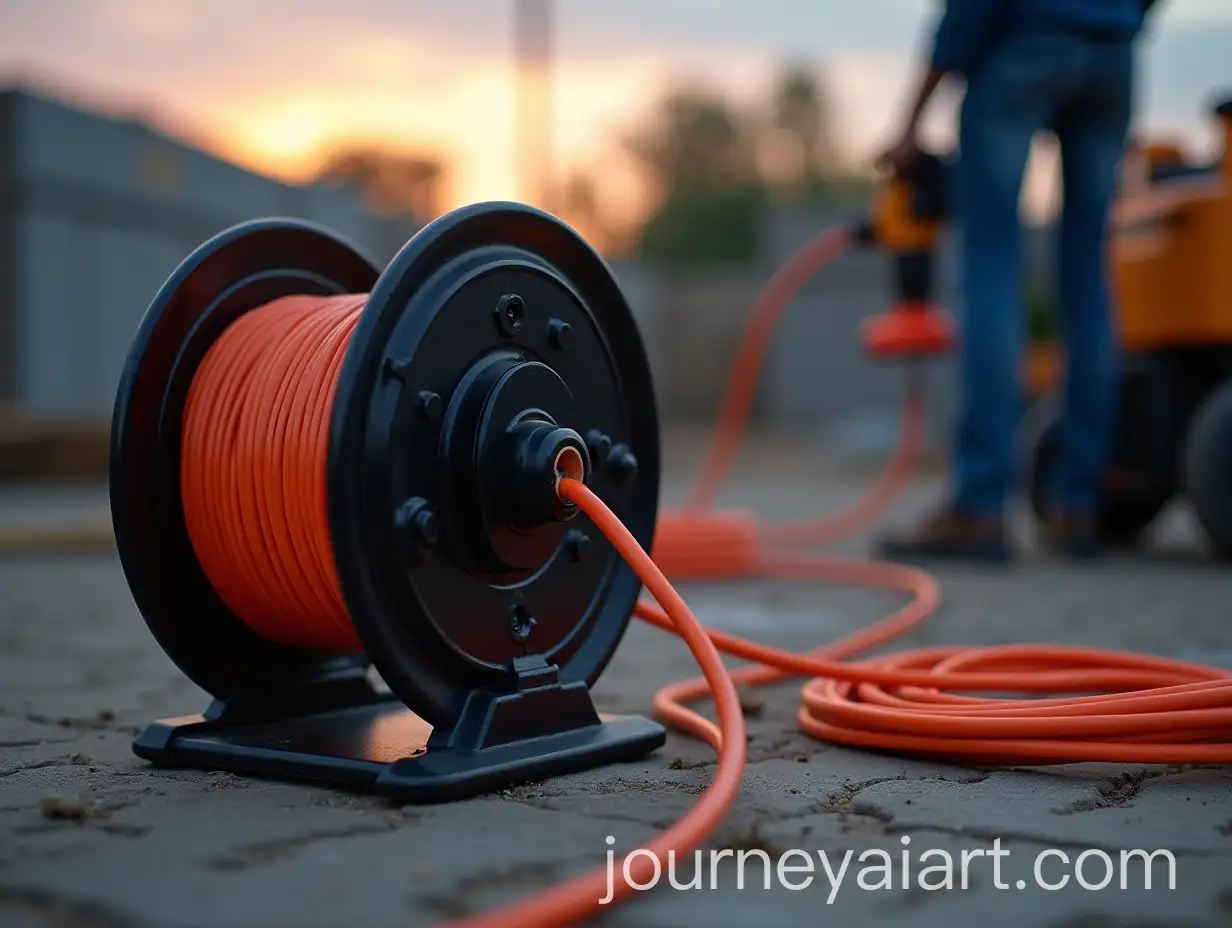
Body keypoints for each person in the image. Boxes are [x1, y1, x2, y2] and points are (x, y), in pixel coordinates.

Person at [874, 0, 1160, 563]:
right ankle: (1079, 508)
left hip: (1020, 46)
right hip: (1113, 56)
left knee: (990, 271)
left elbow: (965, 13)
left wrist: (910, 124)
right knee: (1089, 280)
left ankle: (980, 509)